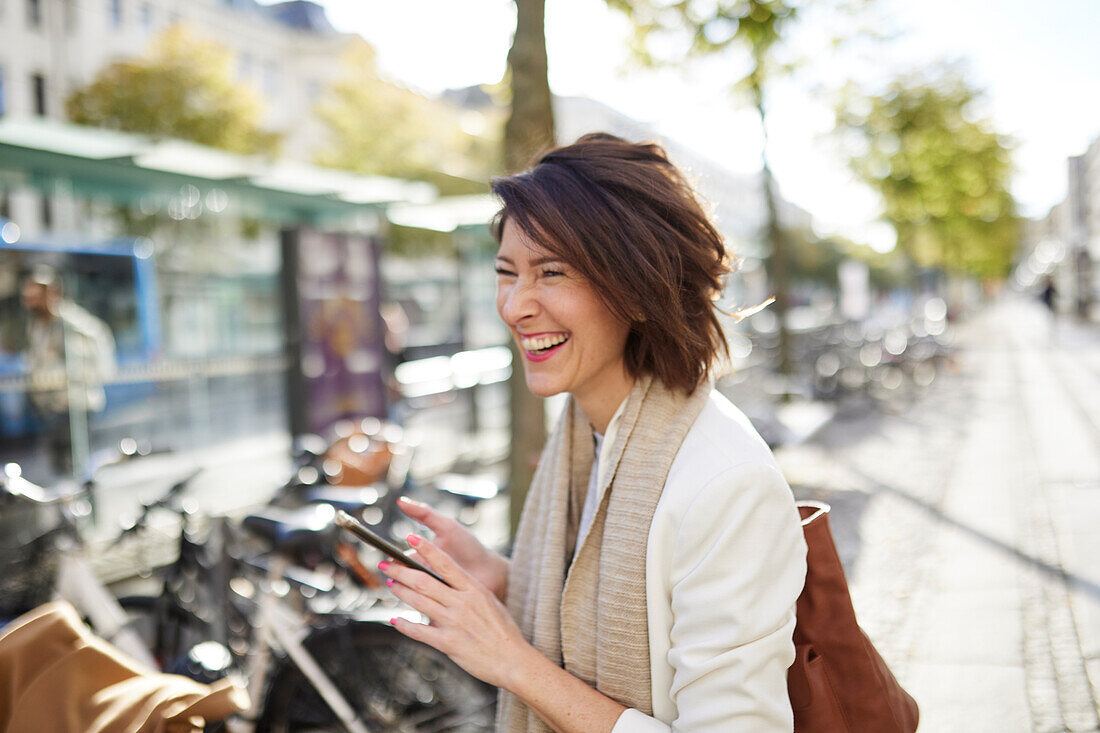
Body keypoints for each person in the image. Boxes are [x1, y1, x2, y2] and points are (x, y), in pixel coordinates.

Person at [380, 133, 808, 732]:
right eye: (507, 273)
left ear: (635, 286)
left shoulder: (725, 483)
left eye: (551, 272)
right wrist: (505, 582)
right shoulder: (588, 438)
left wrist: (514, 662)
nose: (515, 306)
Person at [21, 265, 116, 475]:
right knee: (61, 469)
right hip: (53, 409)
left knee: (79, 468)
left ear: (52, 293)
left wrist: (86, 376)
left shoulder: (71, 322)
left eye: (37, 294)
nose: (31, 300)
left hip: (75, 407)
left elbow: (99, 346)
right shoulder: (38, 325)